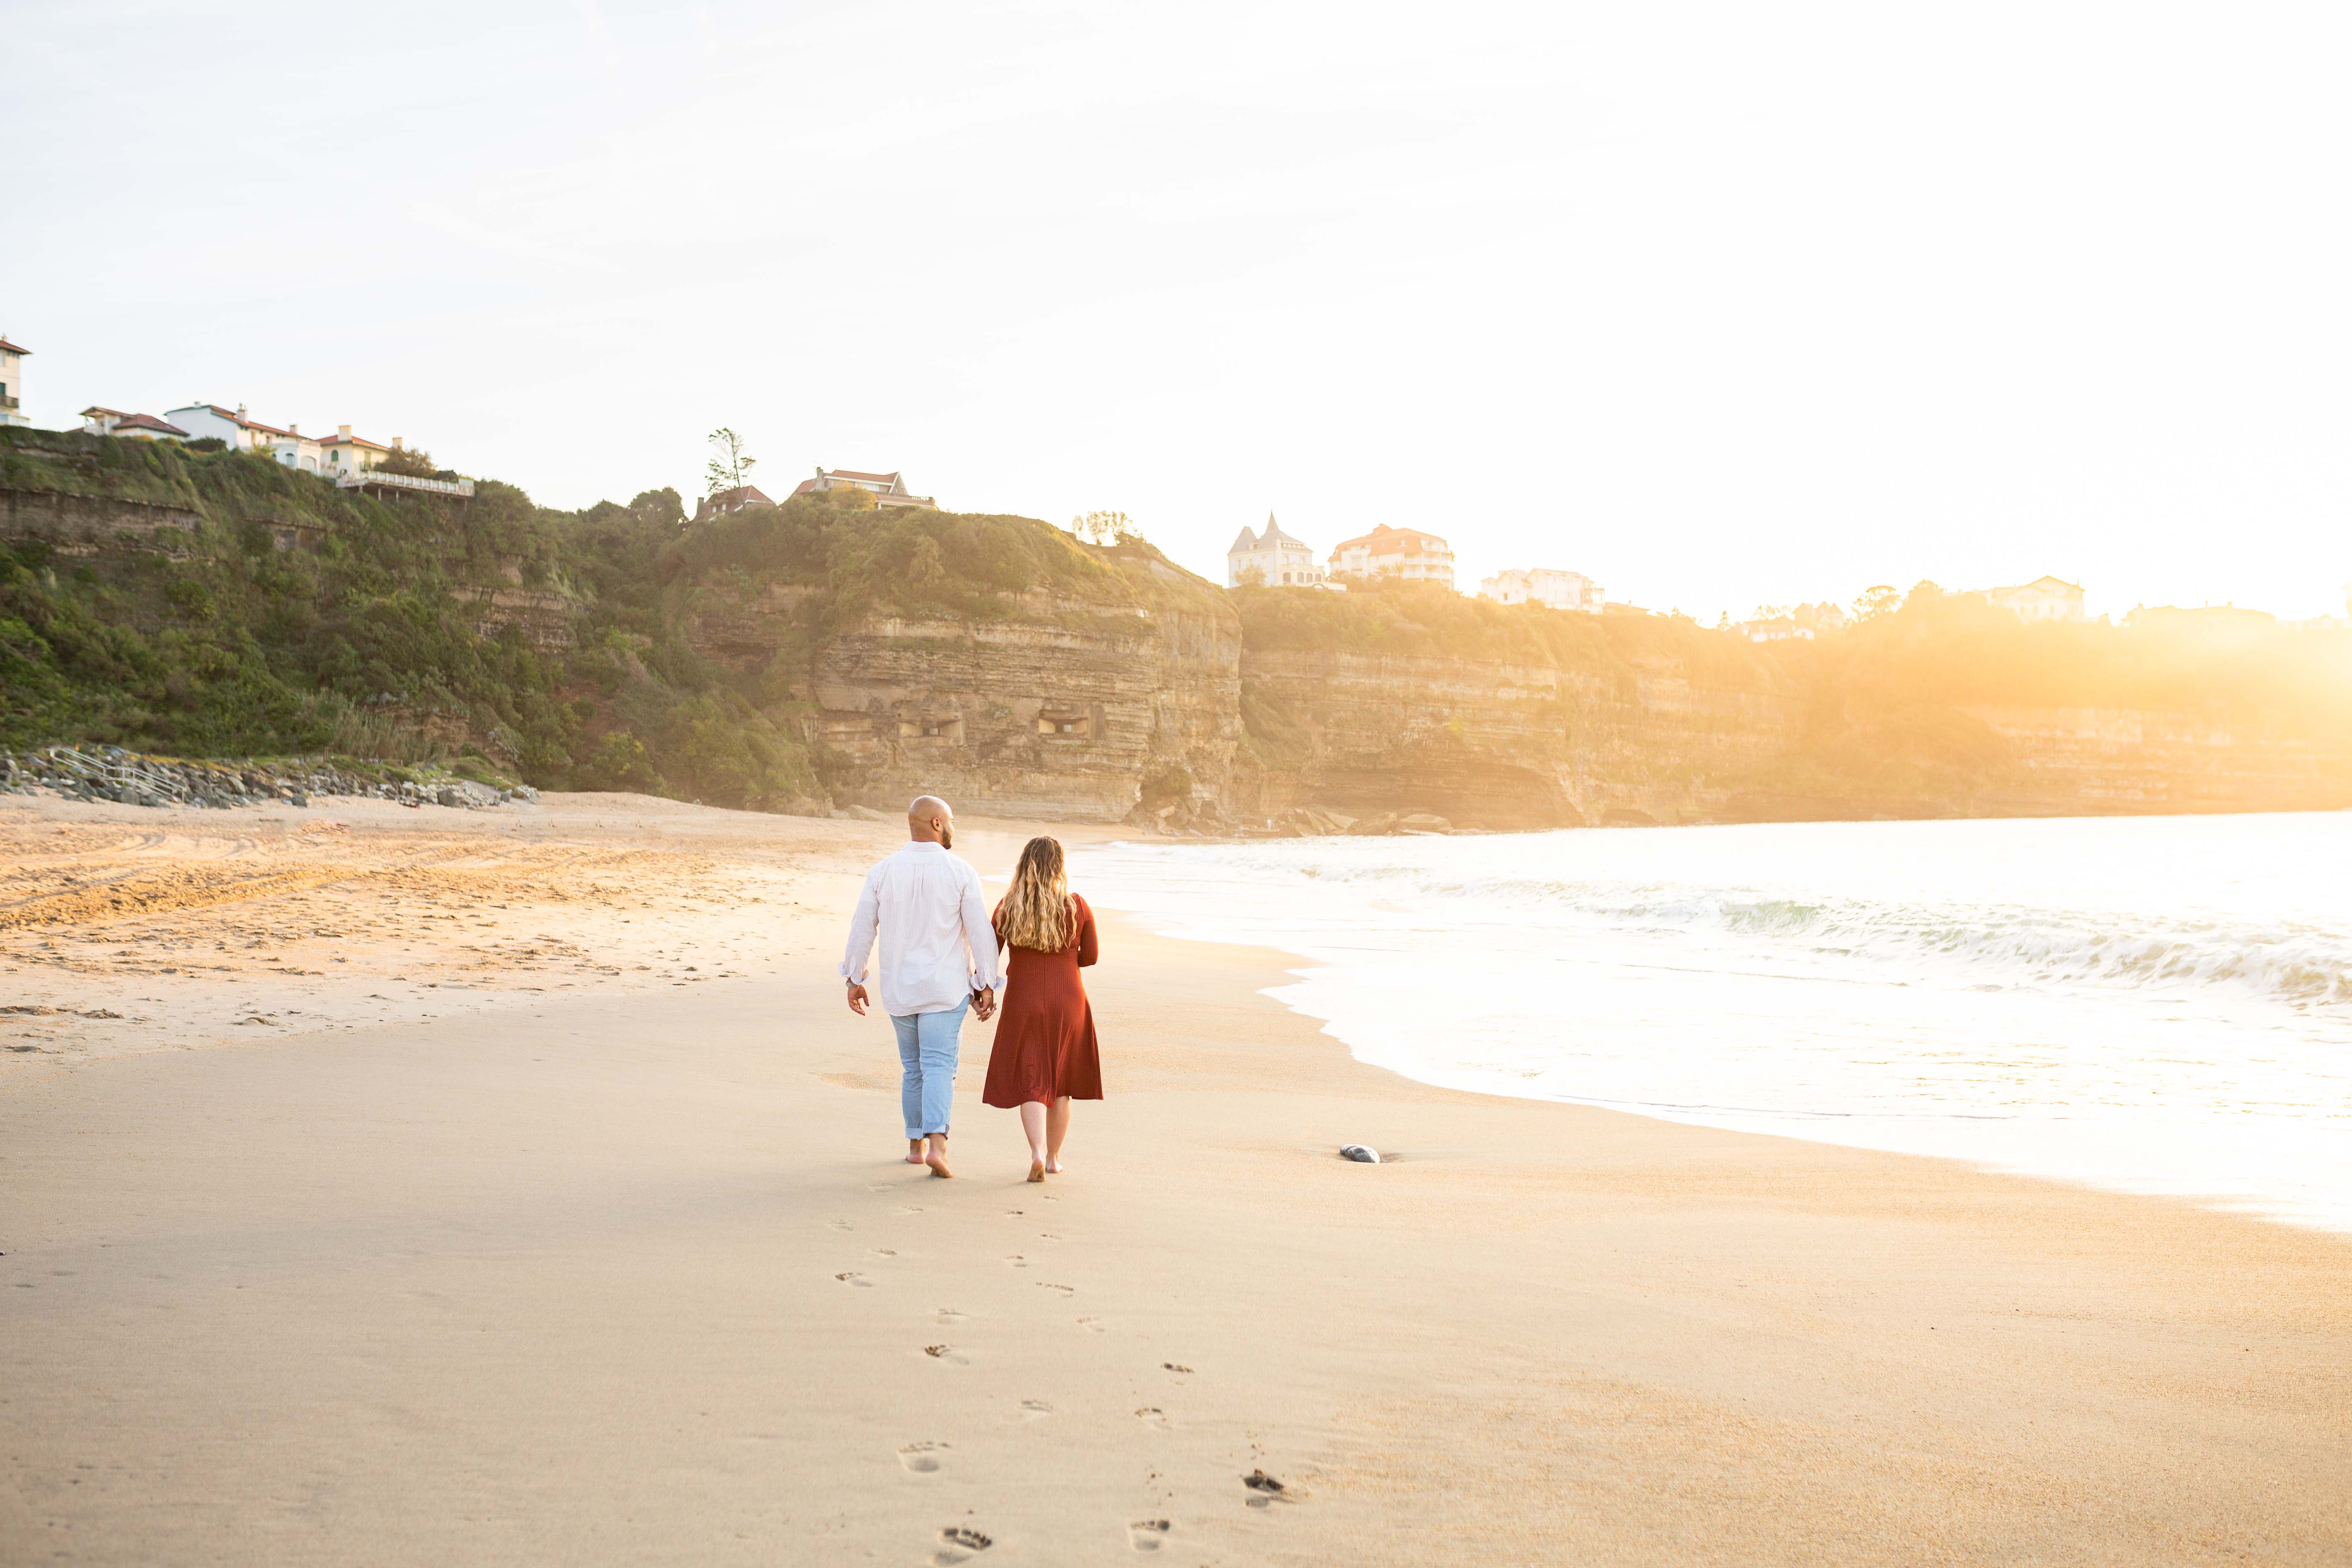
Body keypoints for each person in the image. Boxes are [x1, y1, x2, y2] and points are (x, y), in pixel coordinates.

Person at [841, 796, 1000, 1179]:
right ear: (936, 824)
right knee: (939, 1066)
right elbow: (981, 934)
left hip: (900, 989)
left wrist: (854, 978)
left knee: (913, 1069)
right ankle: (938, 1147)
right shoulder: (961, 872)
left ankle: (916, 1147)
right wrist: (986, 984)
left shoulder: (882, 871)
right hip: (944, 989)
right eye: (951, 821)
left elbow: (862, 928)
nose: (953, 827)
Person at [981, 835, 1102, 1182]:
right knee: (1061, 1083)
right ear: (1059, 866)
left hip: (1024, 1000)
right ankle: (1052, 1159)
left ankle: (1035, 1151)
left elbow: (989, 956)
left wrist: (983, 992)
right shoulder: (1076, 906)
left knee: (1032, 1078)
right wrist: (1065, 955)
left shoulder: (1008, 907)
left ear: (1024, 865)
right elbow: (1091, 957)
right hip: (1068, 1001)